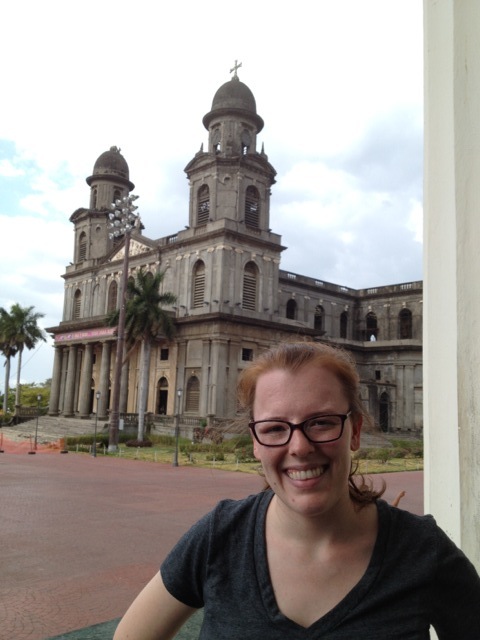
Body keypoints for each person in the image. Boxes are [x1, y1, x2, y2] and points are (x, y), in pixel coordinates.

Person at [114, 341, 480, 639]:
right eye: (275, 428)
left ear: (354, 431)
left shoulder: (421, 551)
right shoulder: (220, 537)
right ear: (255, 442)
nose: (300, 447)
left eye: (321, 422)